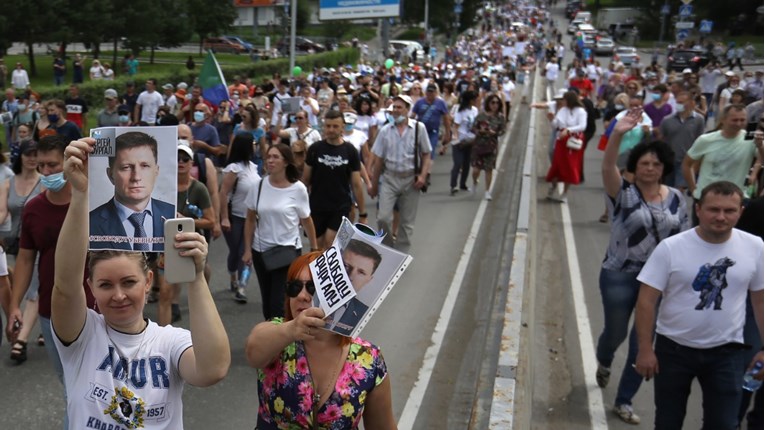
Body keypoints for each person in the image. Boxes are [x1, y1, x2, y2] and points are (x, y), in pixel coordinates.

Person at [51, 136, 230, 429]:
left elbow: (213, 369)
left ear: (148, 281)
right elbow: (65, 286)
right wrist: (81, 195)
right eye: (106, 285)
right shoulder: (83, 337)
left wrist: (195, 277)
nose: (119, 295)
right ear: (91, 287)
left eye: (129, 282)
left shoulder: (171, 341)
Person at [634, 181, 763, 430]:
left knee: (724, 424)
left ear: (741, 212)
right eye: (714, 209)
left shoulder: (755, 247)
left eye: (729, 211)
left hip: (728, 353)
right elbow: (646, 301)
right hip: (674, 351)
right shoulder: (671, 248)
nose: (721, 217)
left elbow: (761, 301)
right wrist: (644, 349)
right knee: (668, 422)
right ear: (699, 209)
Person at [597, 108, 691, 424]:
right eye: (643, 163)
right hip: (620, 274)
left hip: (658, 281)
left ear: (664, 167)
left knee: (644, 341)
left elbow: (685, 240)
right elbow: (608, 164)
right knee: (616, 333)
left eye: (655, 163)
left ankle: (624, 401)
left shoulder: (677, 198)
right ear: (634, 167)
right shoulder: (621, 193)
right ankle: (605, 358)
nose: (650, 168)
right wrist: (619, 133)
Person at [245, 252, 395, 429]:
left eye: (313, 287)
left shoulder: (368, 359)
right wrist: (292, 330)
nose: (301, 296)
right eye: (294, 287)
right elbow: (253, 352)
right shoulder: (279, 333)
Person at [5, 135, 96, 429]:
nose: (47, 172)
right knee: (72, 387)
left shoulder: (94, 203)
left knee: (96, 384)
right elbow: (25, 260)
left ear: (69, 163)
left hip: (100, 308)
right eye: (42, 165)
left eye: (53, 165)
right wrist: (15, 307)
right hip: (51, 311)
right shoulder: (34, 209)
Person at [243, 144, 318, 320]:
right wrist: (247, 250)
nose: (270, 160)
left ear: (286, 162)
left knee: (278, 302)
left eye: (275, 157)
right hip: (261, 251)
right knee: (267, 302)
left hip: (287, 252)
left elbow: (306, 219)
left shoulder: (297, 188)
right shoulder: (258, 186)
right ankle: (271, 337)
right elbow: (250, 219)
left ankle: (282, 340)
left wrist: (314, 248)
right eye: (268, 156)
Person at [156, 143, 216, 326]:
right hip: (166, 244)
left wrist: (185, 221)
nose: (180, 162)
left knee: (197, 286)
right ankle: (162, 338)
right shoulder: (162, 185)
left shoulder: (198, 189)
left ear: (191, 164)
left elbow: (210, 221)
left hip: (190, 244)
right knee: (164, 292)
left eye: (185, 159)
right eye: (177, 159)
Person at [89, 131, 175, 251]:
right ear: (110, 175)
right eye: (126, 167)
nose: (136, 177)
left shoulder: (173, 216)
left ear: (156, 171)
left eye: (145, 166)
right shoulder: (90, 223)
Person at [369, 95, 430, 253]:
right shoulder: (385, 131)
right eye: (393, 108)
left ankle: (401, 254)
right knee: (383, 218)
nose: (395, 111)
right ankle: (388, 249)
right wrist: (374, 185)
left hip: (411, 180)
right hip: (390, 178)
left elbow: (426, 154)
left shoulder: (419, 128)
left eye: (399, 107)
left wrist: (423, 176)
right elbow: (379, 160)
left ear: (408, 110)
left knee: (407, 222)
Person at [682, 104, 764, 222]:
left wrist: (760, 145)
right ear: (723, 119)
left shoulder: (750, 139)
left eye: (742, 120)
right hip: (706, 198)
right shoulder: (706, 140)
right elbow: (687, 164)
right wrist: (694, 189)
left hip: (736, 200)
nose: (739, 123)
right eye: (734, 120)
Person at [0, 140, 43, 363]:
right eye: (28, 154)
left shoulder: (45, 182)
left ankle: (21, 341)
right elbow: (1, 212)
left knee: (34, 290)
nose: (32, 158)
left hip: (41, 242)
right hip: (18, 244)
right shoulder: (8, 183)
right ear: (21, 157)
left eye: (36, 154)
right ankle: (48, 322)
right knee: (26, 287)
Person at [302, 110, 366, 249]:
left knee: (330, 243)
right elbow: (305, 180)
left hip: (340, 206)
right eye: (328, 126)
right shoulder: (315, 149)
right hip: (317, 206)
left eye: (335, 126)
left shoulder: (350, 151)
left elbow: (356, 184)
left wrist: (363, 213)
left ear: (342, 127)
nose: (331, 130)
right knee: (316, 248)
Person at [219, 133, 261, 303]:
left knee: (246, 252)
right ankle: (233, 277)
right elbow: (223, 193)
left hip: (251, 218)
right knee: (235, 253)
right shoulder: (234, 169)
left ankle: (242, 286)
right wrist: (224, 218)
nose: (256, 145)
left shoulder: (254, 167)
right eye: (253, 143)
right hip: (234, 217)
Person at [324, 239, 382, 336]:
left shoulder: (363, 312)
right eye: (346, 266)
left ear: (369, 279)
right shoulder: (307, 293)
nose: (350, 276)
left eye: (361, 272)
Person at [656, 91, 705, 191]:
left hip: (686, 161)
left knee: (679, 190)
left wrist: (697, 162)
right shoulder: (667, 120)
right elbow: (660, 140)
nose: (679, 104)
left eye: (682, 102)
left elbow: (700, 140)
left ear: (691, 103)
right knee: (667, 189)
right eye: (677, 102)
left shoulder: (699, 120)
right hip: (669, 160)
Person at [545, 90, 587, 203]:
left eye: (563, 99)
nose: (562, 102)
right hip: (561, 141)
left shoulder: (581, 111)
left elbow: (582, 126)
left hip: (573, 141)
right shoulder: (563, 110)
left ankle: (564, 192)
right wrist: (551, 119)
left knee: (570, 166)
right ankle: (553, 187)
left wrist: (568, 130)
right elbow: (556, 126)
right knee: (557, 165)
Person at [471, 93, 506, 201]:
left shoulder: (500, 117)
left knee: (488, 169)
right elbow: (473, 128)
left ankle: (487, 191)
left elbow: (503, 131)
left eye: (497, 103)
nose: (495, 105)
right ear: (488, 104)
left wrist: (494, 133)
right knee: (476, 170)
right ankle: (475, 181)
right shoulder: (481, 115)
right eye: (493, 102)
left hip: (491, 146)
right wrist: (480, 131)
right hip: (479, 145)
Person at [411, 83, 451, 159]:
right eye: (428, 92)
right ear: (426, 92)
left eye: (432, 92)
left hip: (433, 131)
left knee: (430, 150)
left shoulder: (440, 103)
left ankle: (427, 169)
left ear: (436, 93)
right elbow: (413, 115)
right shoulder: (420, 102)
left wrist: (447, 133)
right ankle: (422, 167)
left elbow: (446, 118)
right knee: (420, 151)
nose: (430, 94)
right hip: (420, 131)